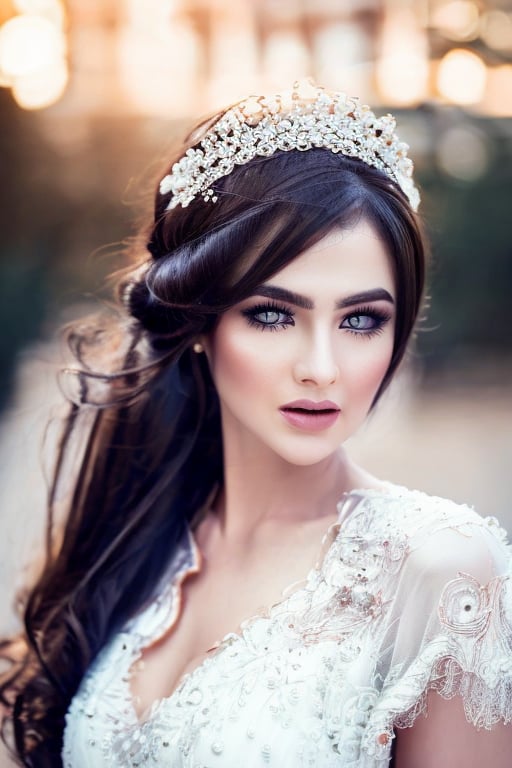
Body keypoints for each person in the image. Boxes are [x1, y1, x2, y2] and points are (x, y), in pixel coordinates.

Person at [1, 79, 511, 768]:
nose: (322, 368)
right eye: (272, 314)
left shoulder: (440, 573)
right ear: (200, 323)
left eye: (362, 320)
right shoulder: (138, 540)